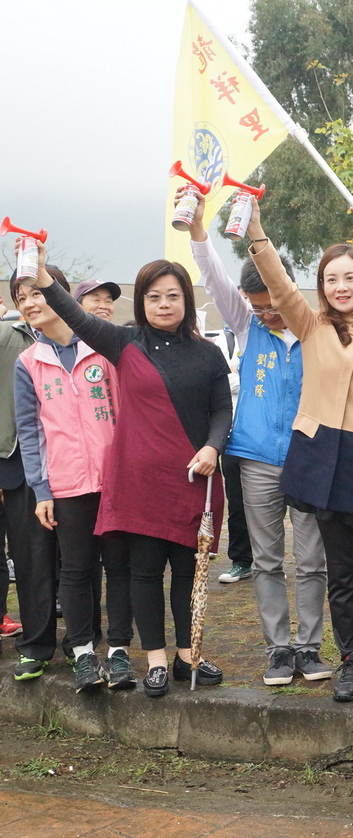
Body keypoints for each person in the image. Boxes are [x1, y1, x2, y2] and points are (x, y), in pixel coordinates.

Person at [244, 198, 353, 703]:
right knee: (337, 574)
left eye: (349, 278)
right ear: (321, 288)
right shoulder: (311, 325)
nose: (340, 288)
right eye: (330, 280)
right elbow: (276, 282)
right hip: (321, 458)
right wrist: (256, 229)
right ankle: (350, 659)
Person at [37, 251, 231, 698]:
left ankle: (188, 657)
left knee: (188, 573)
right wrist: (45, 277)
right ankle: (157, 661)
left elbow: (222, 407)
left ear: (186, 299)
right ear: (142, 302)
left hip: (192, 477)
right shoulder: (124, 343)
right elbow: (73, 315)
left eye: (173, 296)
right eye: (155, 296)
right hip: (139, 481)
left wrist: (211, 446)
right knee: (144, 572)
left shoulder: (207, 353)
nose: (164, 304)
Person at [183, 187, 333, 687]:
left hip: (309, 460)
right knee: (266, 561)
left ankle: (310, 649)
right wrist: (201, 230)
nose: (265, 313)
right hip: (257, 462)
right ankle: (278, 650)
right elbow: (213, 277)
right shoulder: (247, 326)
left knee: (312, 561)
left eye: (271, 304)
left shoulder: (318, 330)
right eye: (256, 306)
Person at [13, 266, 135, 692]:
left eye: (35, 293)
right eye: (19, 297)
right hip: (66, 486)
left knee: (120, 567)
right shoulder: (28, 363)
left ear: (58, 296)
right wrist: (41, 490)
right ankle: (83, 652)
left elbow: (127, 413)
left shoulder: (103, 350)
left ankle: (119, 651)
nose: (28, 303)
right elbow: (30, 433)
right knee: (77, 570)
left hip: (115, 481)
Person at [1, 284, 41, 678]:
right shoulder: (7, 336)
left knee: (33, 558)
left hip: (44, 465)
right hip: (10, 457)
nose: (31, 303)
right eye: (22, 298)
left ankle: (38, 635)